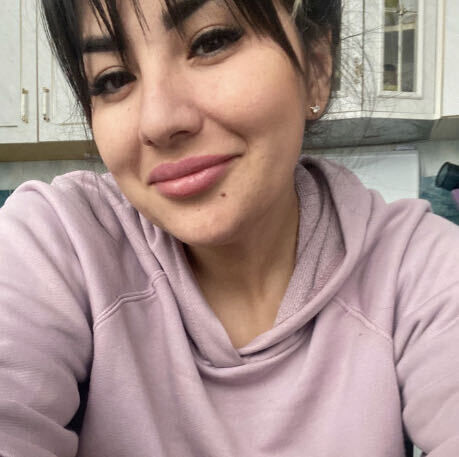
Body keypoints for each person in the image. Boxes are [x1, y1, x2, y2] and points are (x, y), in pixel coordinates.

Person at [1, 0, 458, 455]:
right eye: (113, 79)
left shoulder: (416, 269)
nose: (159, 121)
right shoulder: (59, 242)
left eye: (211, 42)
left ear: (317, 67)